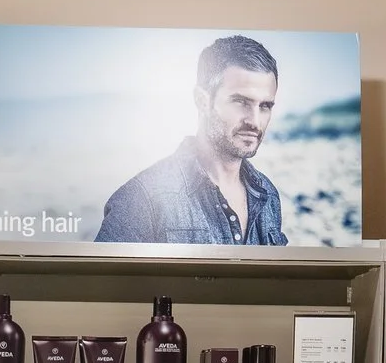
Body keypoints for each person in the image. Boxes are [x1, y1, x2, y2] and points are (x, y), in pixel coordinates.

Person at [96, 35, 288, 246]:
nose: (254, 121)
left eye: (265, 106)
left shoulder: (267, 194)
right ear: (202, 101)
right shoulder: (141, 199)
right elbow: (99, 278)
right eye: (240, 102)